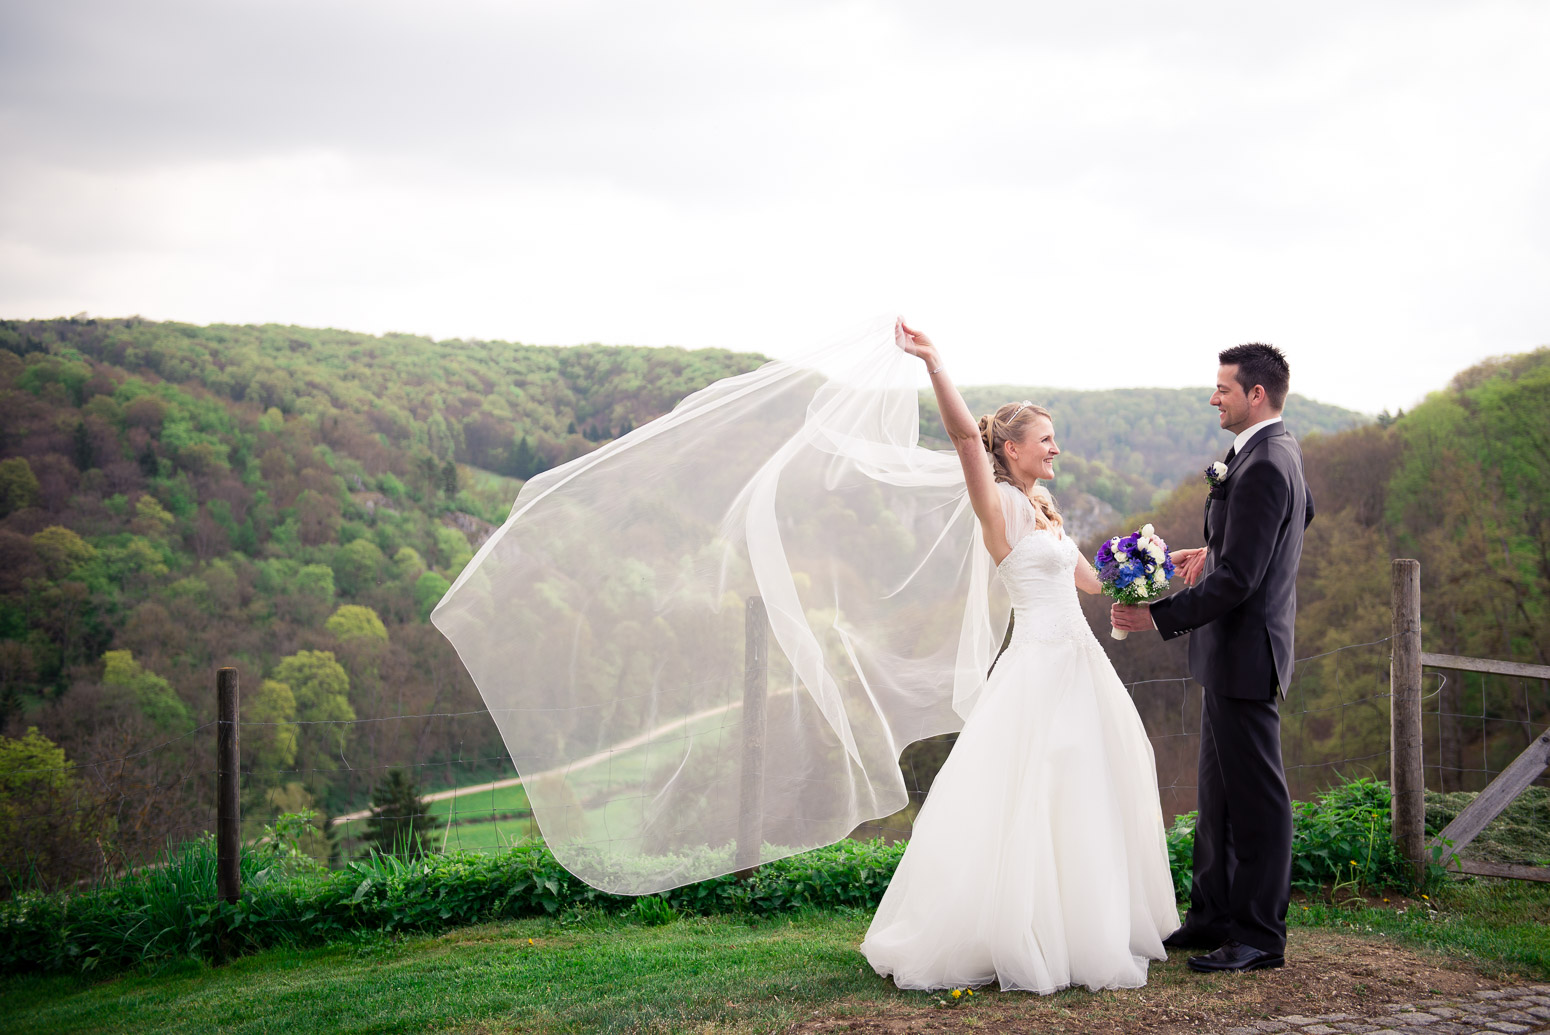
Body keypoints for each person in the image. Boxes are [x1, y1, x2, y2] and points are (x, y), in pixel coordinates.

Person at [859, 320, 1179, 993]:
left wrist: (1158, 566)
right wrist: (935, 363)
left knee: (1086, 787)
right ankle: (1016, 931)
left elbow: (1092, 583)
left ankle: (1077, 927)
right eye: (1046, 438)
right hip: (1036, 666)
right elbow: (959, 438)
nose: (1057, 447)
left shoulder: (1046, 509)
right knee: (1031, 789)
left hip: (1081, 663)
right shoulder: (998, 503)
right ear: (1011, 446)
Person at [1111, 343, 1314, 974]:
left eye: (1222, 388)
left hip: (1248, 652)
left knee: (1258, 799)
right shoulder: (1269, 451)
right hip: (1226, 653)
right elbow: (1297, 516)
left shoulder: (1264, 463)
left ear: (1256, 394)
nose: (1213, 397)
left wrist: (1158, 615)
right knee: (1218, 794)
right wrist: (1219, 548)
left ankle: (1258, 934)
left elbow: (1242, 581)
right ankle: (1212, 916)